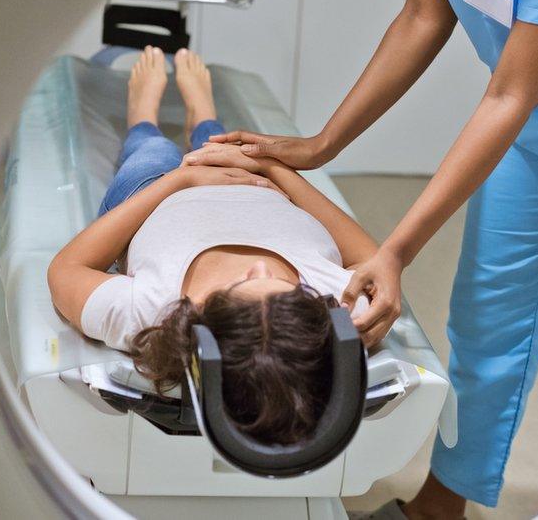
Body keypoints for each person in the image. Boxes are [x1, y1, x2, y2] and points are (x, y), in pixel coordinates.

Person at [189, 0, 538, 515]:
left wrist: (394, 252)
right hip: (535, 114)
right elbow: (423, 15)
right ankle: (439, 506)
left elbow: (510, 94)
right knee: (487, 321)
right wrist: (321, 146)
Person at [46, 46, 375, 445]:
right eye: (292, 291)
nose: (262, 269)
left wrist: (182, 180)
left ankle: (143, 116)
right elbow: (372, 259)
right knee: (229, 147)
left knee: (154, 153)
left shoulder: (156, 313)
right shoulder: (343, 305)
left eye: (239, 288)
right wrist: (275, 170)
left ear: (197, 324)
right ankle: (203, 116)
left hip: (156, 193)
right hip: (258, 185)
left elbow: (66, 270)